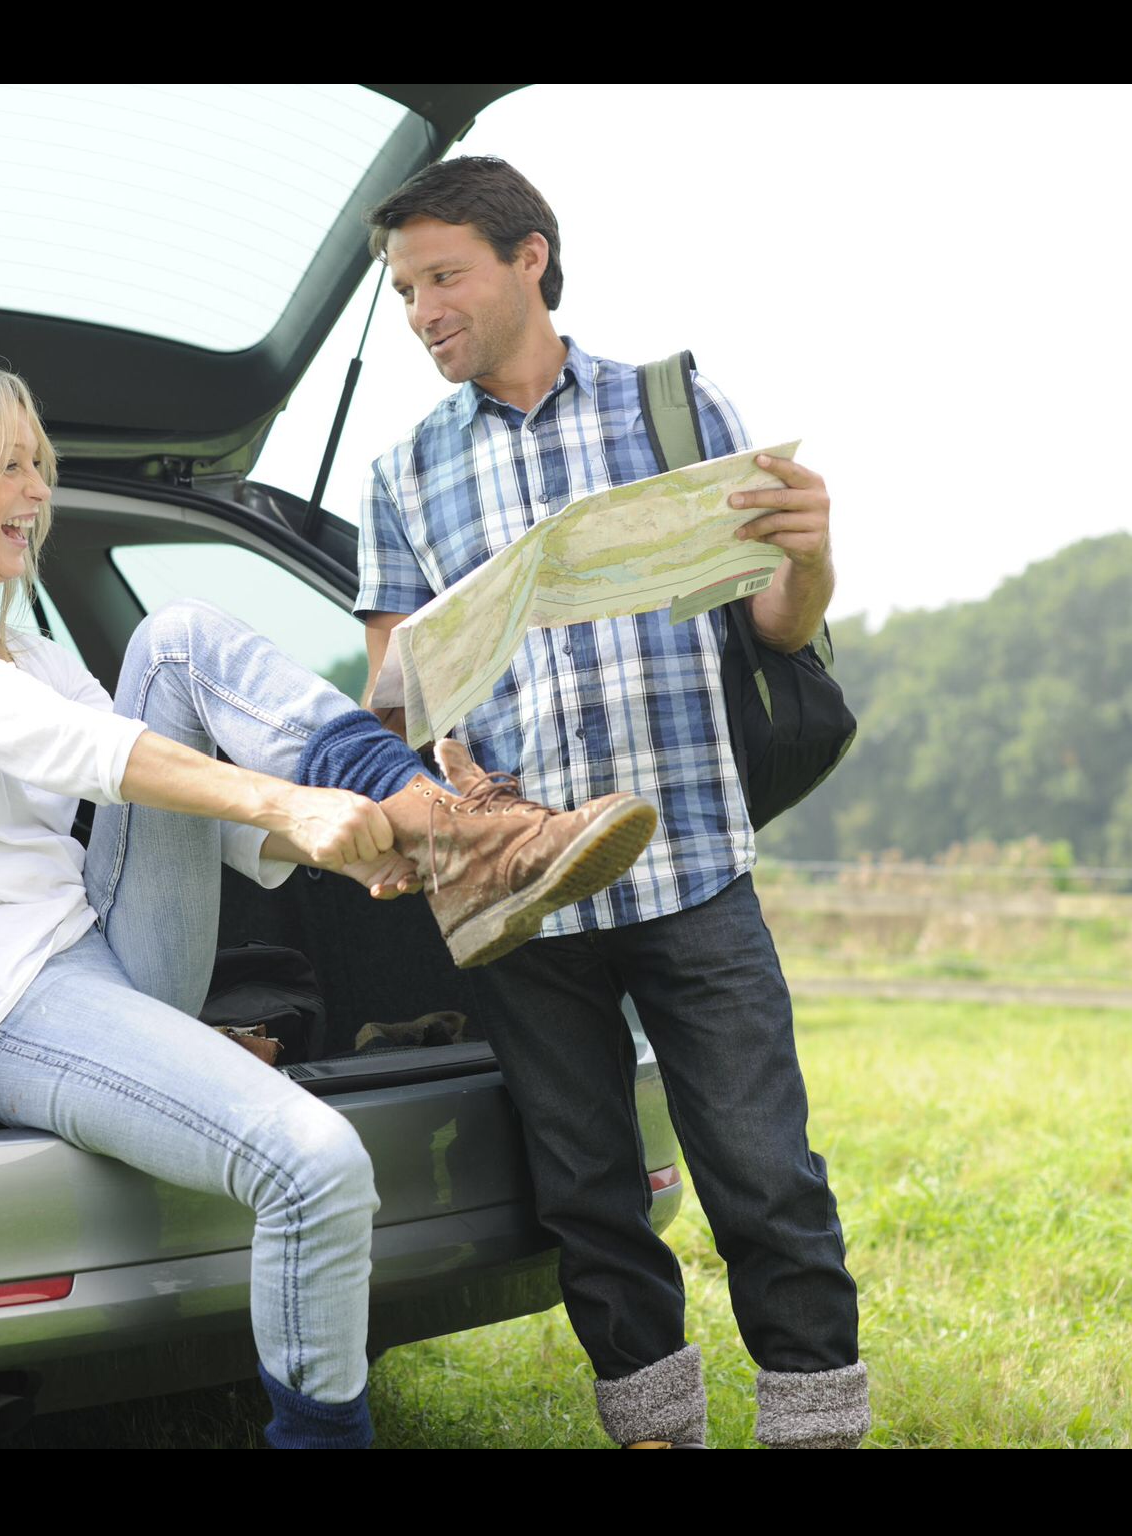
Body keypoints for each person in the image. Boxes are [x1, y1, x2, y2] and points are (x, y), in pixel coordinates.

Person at [0, 358, 656, 1449]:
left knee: (181, 641)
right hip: (2, 1002)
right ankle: (454, 830)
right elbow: (69, 748)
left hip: (102, 947)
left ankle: (440, 832)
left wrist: (352, 844)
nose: (39, 490)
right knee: (315, 1167)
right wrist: (291, 804)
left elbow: (172, 803)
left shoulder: (28, 648)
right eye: (9, 464)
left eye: (39, 464)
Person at [356, 158, 869, 1449]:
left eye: (443, 276)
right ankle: (652, 1431)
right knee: (587, 1193)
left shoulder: (674, 409)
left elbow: (777, 625)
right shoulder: (404, 473)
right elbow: (389, 693)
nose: (422, 310)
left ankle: (815, 1426)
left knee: (764, 1175)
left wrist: (810, 555)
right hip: (525, 896)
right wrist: (430, 747)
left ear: (528, 258)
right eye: (405, 289)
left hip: (689, 862)